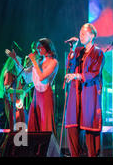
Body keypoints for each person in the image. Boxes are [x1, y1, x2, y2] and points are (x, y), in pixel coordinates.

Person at [64, 23, 105, 157]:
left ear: (92, 35)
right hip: (75, 93)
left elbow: (94, 73)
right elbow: (69, 67)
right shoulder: (77, 51)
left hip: (89, 92)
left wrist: (77, 75)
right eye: (80, 33)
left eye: (84, 33)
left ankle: (92, 154)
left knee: (89, 125)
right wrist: (72, 49)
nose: (80, 35)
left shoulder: (98, 52)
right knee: (72, 126)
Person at [6, 38, 58, 134]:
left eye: (39, 47)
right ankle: (36, 148)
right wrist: (15, 59)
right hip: (36, 94)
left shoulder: (53, 62)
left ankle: (48, 148)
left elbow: (42, 77)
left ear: (47, 47)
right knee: (33, 123)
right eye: (36, 47)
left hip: (46, 94)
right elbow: (26, 75)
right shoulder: (39, 62)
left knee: (45, 124)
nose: (37, 49)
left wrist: (34, 61)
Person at [0, 57, 28, 130]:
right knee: (16, 126)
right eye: (19, 62)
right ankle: (15, 141)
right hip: (12, 102)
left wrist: (22, 94)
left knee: (21, 125)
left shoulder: (17, 75)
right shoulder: (9, 73)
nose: (20, 64)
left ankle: (20, 141)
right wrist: (19, 91)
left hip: (17, 102)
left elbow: (19, 89)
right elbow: (7, 89)